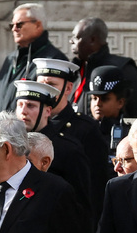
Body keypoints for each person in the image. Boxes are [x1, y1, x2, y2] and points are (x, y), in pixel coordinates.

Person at [34, 57, 110, 224]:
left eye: (51, 85)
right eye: (40, 85)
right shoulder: (28, 129)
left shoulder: (85, 129)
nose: (45, 92)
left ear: (68, 88)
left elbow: (95, 190)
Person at [0, 3, 67, 114]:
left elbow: (54, 104)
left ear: (37, 25)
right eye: (11, 25)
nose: (14, 29)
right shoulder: (10, 58)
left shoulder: (53, 60)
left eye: (19, 24)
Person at [70, 17, 137, 118]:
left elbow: (136, 112)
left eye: (77, 38)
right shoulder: (74, 70)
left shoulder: (123, 68)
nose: (71, 41)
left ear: (92, 40)